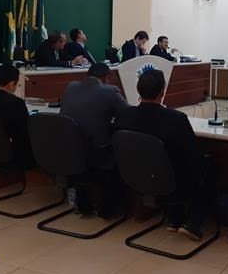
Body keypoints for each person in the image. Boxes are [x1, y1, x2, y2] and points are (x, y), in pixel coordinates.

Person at [115, 70, 214, 241]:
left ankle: (174, 218)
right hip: (171, 183)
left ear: (138, 89)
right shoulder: (176, 119)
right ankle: (193, 222)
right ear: (162, 92)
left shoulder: (124, 115)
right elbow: (193, 155)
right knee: (208, 165)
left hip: (134, 177)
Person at [60, 63, 129, 215]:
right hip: (97, 151)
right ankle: (110, 207)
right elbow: (127, 114)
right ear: (107, 77)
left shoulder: (71, 87)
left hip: (69, 149)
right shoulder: (110, 91)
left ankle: (84, 203)